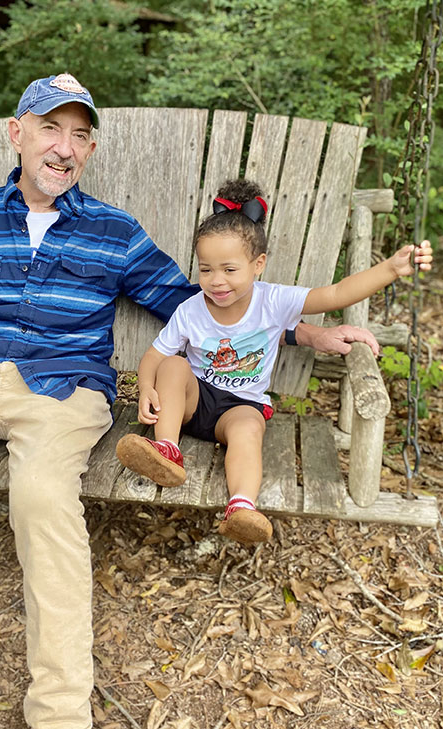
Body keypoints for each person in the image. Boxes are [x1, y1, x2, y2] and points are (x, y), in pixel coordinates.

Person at [0, 74, 380, 729]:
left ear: (91, 150)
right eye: (51, 127)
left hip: (65, 390)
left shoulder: (113, 231)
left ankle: (59, 712)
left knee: (42, 495)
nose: (64, 146)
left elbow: (195, 301)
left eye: (80, 135)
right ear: (16, 133)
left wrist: (305, 329)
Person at [116, 179, 432, 544]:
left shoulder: (275, 301)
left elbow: (337, 293)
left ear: (258, 264)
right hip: (194, 401)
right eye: (206, 269)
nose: (216, 281)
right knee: (172, 365)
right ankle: (167, 451)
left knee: (248, 430)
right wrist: (145, 391)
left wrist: (392, 269)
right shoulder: (190, 310)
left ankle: (241, 507)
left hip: (241, 405)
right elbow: (154, 355)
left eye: (230, 270)